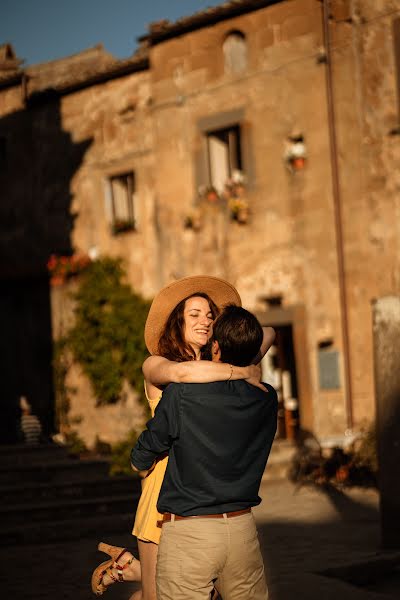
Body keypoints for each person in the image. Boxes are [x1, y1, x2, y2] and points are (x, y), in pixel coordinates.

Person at [91, 275, 275, 599]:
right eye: (194, 314)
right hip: (165, 495)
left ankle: (129, 568)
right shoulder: (157, 364)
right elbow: (182, 375)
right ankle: (132, 570)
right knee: (156, 596)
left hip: (202, 495)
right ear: (178, 321)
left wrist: (238, 357)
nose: (205, 320)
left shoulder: (219, 364)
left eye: (209, 315)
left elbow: (268, 332)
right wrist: (244, 370)